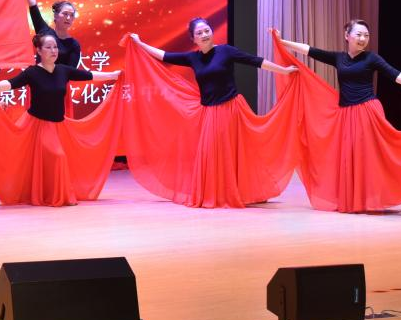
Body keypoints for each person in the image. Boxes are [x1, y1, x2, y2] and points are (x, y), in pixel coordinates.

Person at [123, 19, 300, 207]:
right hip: (209, 113)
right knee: (210, 154)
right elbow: (165, 56)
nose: (204, 35)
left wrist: (283, 71)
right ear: (193, 39)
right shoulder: (193, 58)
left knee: (228, 153)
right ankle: (216, 193)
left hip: (230, 109)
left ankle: (235, 192)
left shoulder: (226, 51)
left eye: (207, 30)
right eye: (199, 33)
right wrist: (140, 44)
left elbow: (255, 61)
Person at [275, 21, 401, 214]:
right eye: (359, 34)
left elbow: (397, 76)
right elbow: (309, 50)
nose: (363, 39)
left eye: (366, 35)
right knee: (363, 159)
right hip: (347, 114)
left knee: (378, 157)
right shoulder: (339, 58)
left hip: (367, 112)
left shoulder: (371, 58)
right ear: (347, 35)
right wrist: (282, 42)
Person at [0, 33, 120, 206]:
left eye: (55, 47)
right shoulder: (32, 72)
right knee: (57, 156)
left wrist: (113, 75)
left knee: (59, 159)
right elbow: (10, 84)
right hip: (38, 125)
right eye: (48, 47)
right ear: (39, 51)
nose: (53, 50)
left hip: (59, 125)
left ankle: (49, 193)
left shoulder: (63, 70)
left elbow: (89, 75)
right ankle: (57, 196)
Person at [21, 0, 81, 69]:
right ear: (56, 15)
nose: (68, 18)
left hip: (59, 80)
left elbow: (71, 72)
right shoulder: (44, 31)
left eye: (71, 15)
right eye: (65, 14)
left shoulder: (74, 45)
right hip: (38, 79)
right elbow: (32, 3)